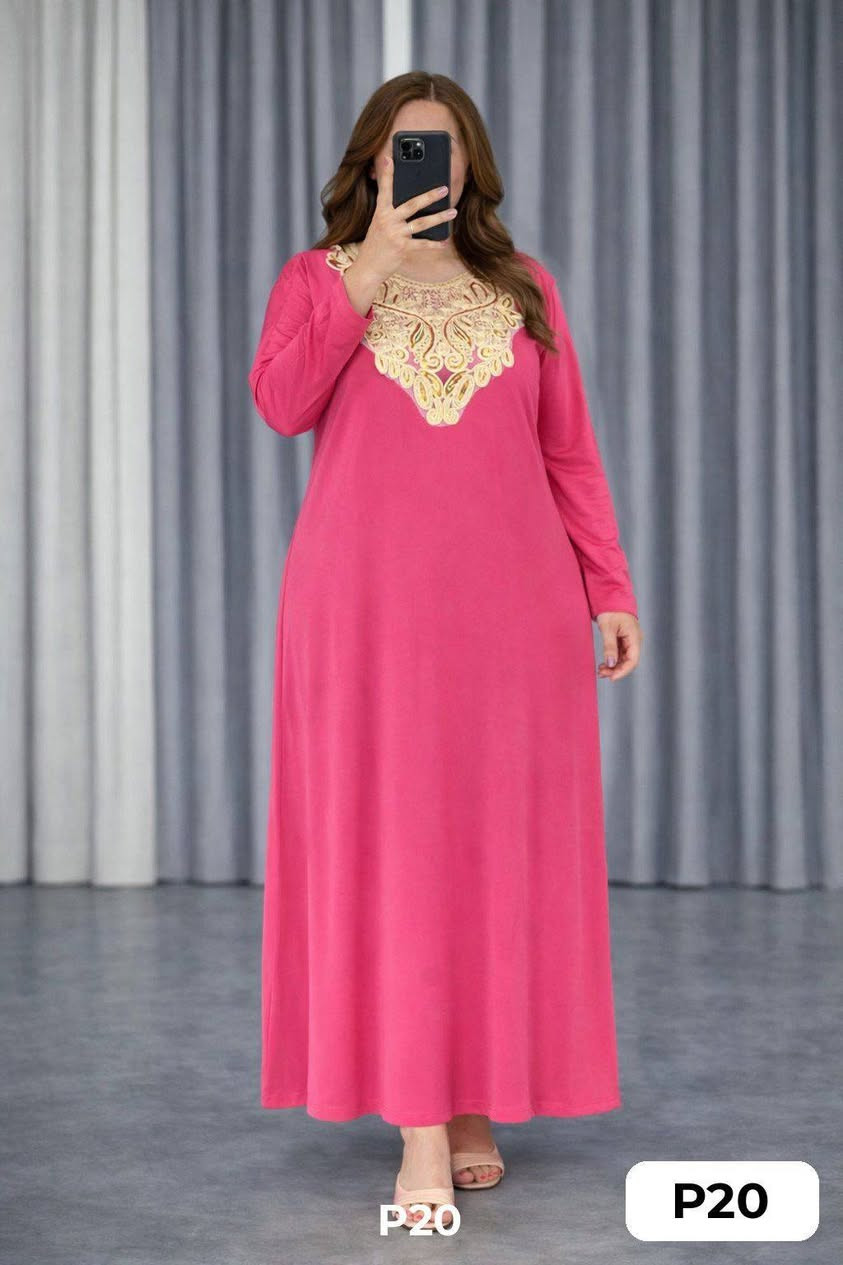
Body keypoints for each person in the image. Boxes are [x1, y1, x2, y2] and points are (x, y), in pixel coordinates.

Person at [248, 71, 643, 1231]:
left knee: (488, 853)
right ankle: (419, 1118)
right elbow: (281, 403)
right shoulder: (316, 280)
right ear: (372, 163)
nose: (427, 164)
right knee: (397, 850)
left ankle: (473, 1093)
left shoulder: (525, 287)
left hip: (514, 620)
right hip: (365, 618)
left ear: (472, 165)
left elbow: (568, 451)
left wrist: (609, 586)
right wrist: (368, 266)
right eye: (404, 147)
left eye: (446, 146)